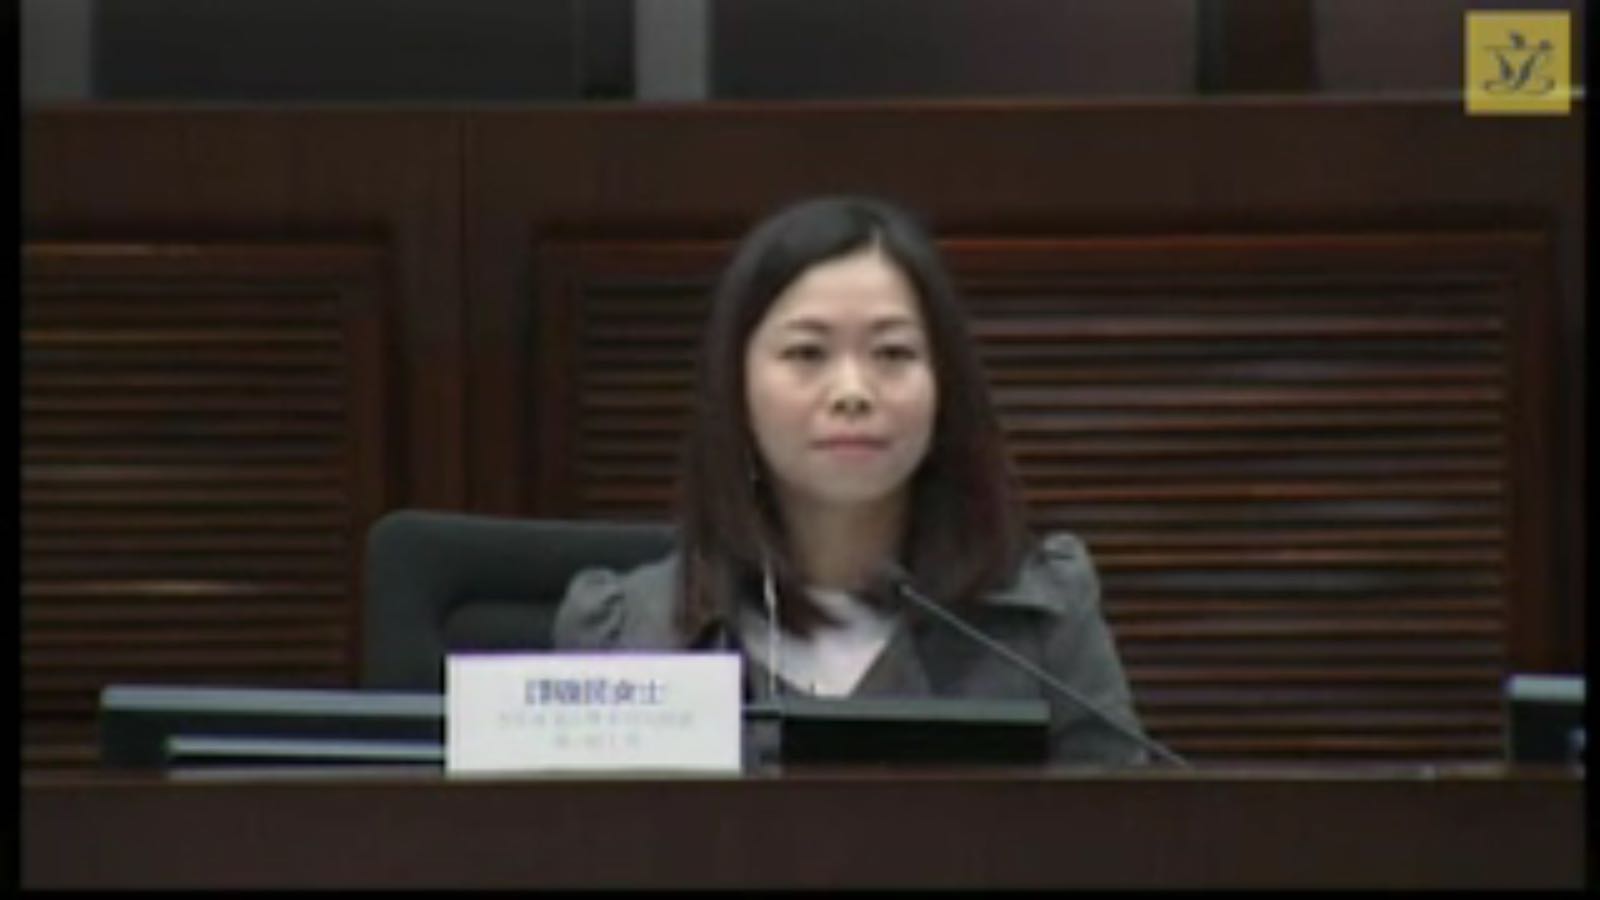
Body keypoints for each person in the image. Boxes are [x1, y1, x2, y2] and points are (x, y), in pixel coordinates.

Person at [554, 195, 1150, 767]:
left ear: (943, 386)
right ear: (736, 388)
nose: (853, 392)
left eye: (892, 353)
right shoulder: (629, 634)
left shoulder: (1040, 620)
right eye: (807, 354)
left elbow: (1122, 828)